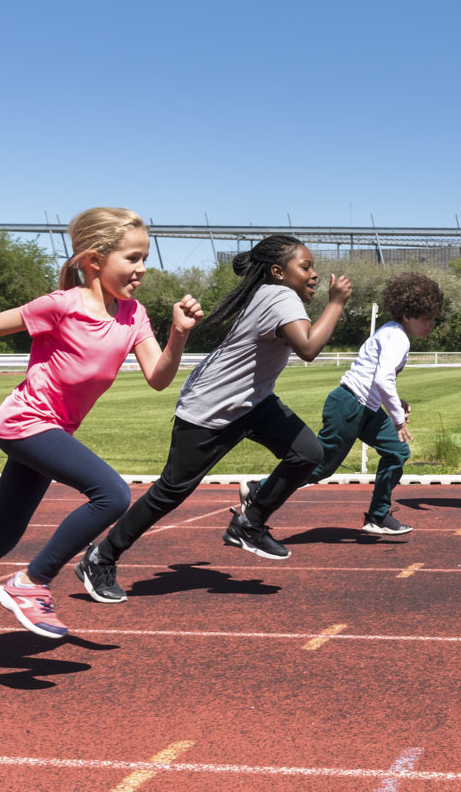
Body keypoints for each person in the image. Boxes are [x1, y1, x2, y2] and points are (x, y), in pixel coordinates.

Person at [0, 207, 203, 680]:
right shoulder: (63, 303)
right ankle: (30, 583)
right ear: (96, 260)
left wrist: (179, 333)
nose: (142, 268)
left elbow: (159, 378)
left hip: (53, 430)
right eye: (133, 257)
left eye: (145, 257)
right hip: (24, 422)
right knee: (112, 493)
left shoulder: (134, 315)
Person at [73, 235, 350, 604]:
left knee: (308, 452)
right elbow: (309, 347)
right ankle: (100, 557)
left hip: (253, 403)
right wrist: (336, 302)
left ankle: (249, 522)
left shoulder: (273, 293)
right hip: (212, 407)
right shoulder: (281, 296)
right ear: (278, 272)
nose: (314, 275)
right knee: (170, 492)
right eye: (306, 267)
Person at [236, 272, 444, 536]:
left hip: (364, 408)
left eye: (434, 318)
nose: (431, 324)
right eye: (426, 318)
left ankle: (378, 516)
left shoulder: (394, 333)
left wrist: (396, 401)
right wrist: (398, 419)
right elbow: (381, 378)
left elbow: (375, 377)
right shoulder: (398, 337)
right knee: (320, 467)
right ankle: (258, 489)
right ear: (407, 315)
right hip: (348, 406)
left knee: (397, 452)